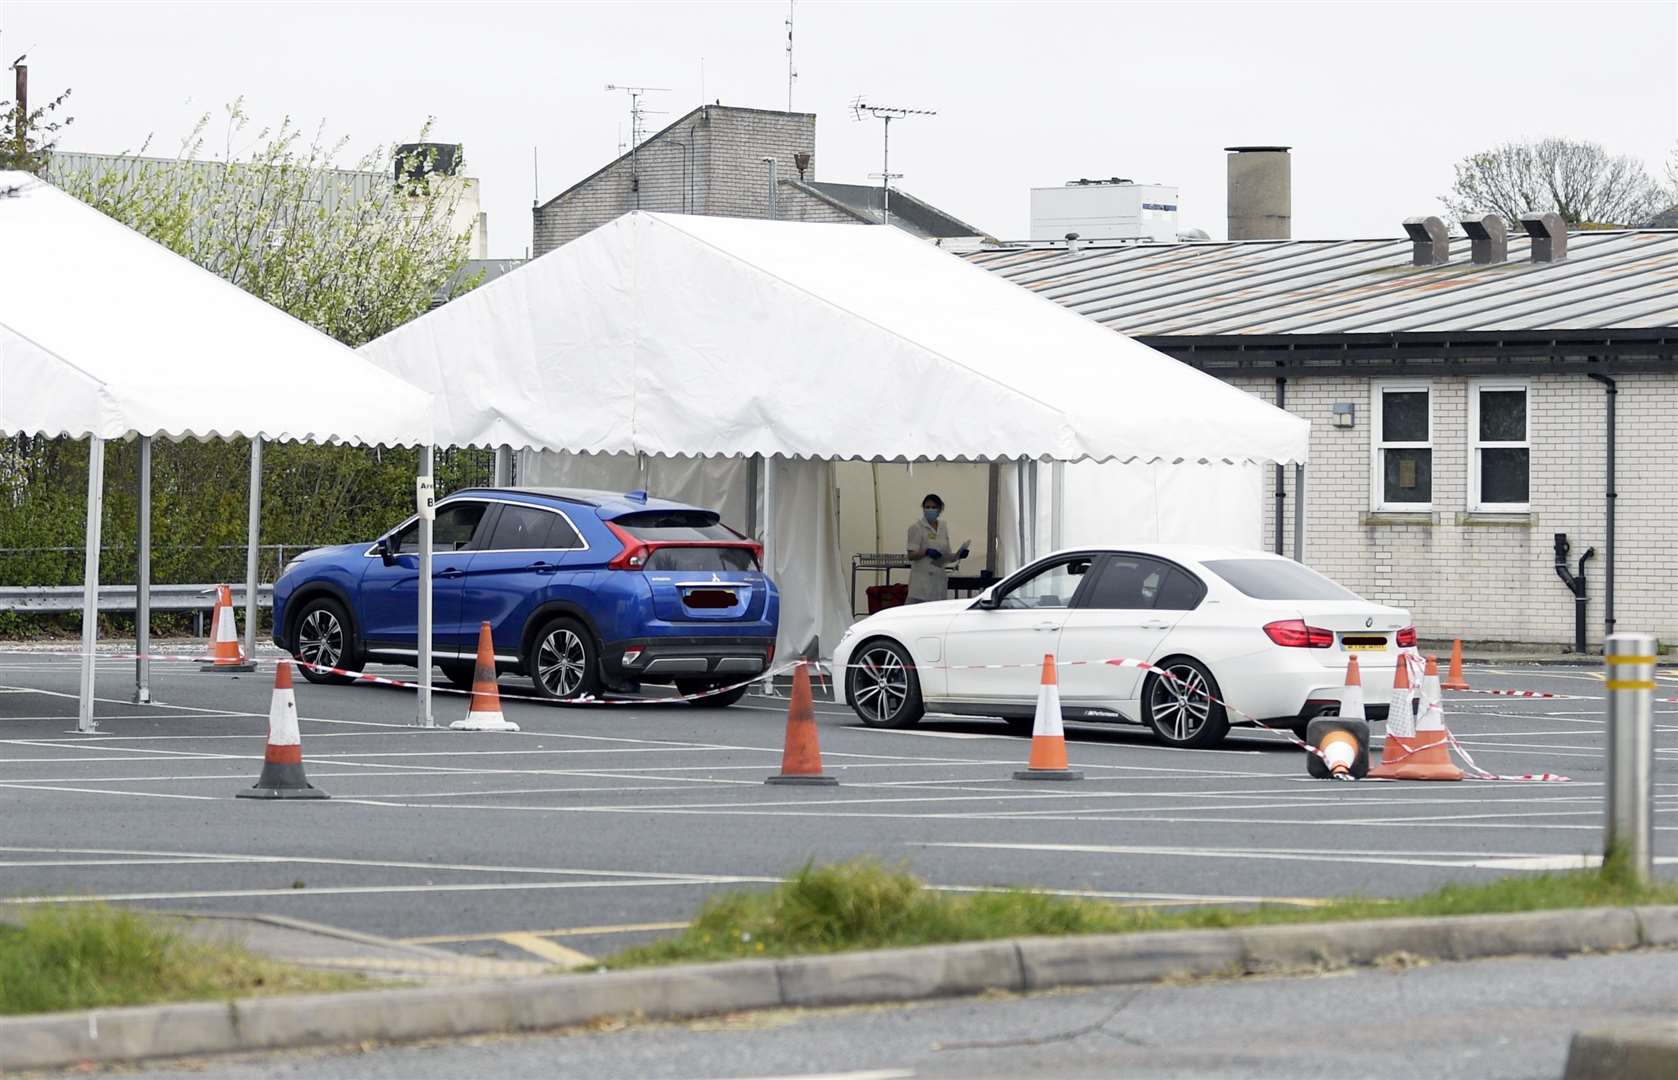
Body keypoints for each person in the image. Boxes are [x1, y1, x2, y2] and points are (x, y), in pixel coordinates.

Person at [906, 493, 970, 604]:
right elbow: (911, 555)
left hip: (938, 583)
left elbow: (945, 555)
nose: (930, 510)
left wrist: (957, 556)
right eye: (927, 507)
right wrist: (926, 551)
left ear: (940, 509)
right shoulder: (916, 528)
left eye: (933, 507)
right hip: (921, 586)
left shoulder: (943, 527)